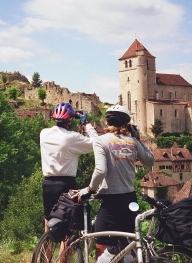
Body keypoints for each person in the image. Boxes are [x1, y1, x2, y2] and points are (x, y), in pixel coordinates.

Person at [75, 104, 154, 262]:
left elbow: (100, 171)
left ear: (107, 123)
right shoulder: (132, 141)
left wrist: (90, 189)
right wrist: (137, 139)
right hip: (130, 199)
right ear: (126, 124)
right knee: (129, 247)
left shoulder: (100, 141)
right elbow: (150, 161)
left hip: (110, 201)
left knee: (103, 246)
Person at [40, 102, 98, 231]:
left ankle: (44, 250)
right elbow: (96, 143)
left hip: (48, 183)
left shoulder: (43, 134)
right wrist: (86, 124)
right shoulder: (72, 138)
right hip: (66, 183)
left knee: (48, 221)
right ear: (70, 121)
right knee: (68, 224)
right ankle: (65, 252)